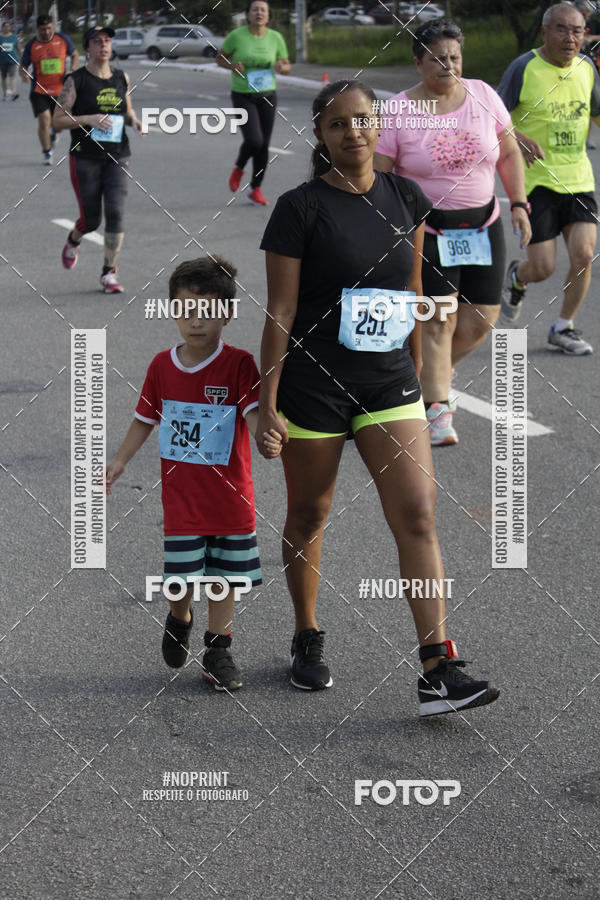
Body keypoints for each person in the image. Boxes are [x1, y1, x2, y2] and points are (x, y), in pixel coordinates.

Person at [256, 79, 499, 716]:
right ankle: (307, 635)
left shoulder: (405, 196)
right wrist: (267, 402)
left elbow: (412, 290)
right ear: (322, 135)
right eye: (338, 124)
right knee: (310, 515)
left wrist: (419, 379)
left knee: (418, 514)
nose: (354, 133)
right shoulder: (299, 207)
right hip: (314, 386)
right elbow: (280, 310)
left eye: (363, 120)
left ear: (377, 126)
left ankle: (436, 666)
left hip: (390, 382)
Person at [105, 256, 282, 689]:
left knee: (224, 579)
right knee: (179, 579)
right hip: (182, 500)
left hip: (231, 498)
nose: (195, 322)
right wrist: (120, 459)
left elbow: (256, 414)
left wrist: (267, 437)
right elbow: (145, 418)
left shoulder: (239, 365)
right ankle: (179, 617)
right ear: (173, 312)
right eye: (186, 310)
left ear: (225, 314)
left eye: (207, 312)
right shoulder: (161, 367)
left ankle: (218, 650)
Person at [374, 19, 531, 446]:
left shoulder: (482, 94)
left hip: (484, 223)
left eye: (455, 57)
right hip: (428, 227)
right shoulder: (400, 110)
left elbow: (510, 151)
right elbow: (381, 173)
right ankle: (437, 409)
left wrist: (518, 203)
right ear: (418, 62)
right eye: (437, 59)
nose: (448, 66)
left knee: (482, 320)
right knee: (439, 319)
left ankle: (432, 374)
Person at [498, 2, 599, 355]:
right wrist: (519, 139)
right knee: (542, 267)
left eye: (577, 31)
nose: (570, 38)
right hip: (535, 182)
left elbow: (597, 112)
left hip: (578, 179)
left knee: (585, 254)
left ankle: (563, 327)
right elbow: (493, 115)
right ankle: (518, 276)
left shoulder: (587, 68)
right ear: (544, 32)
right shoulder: (524, 67)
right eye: (561, 30)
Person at [53, 25, 144, 293]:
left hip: (117, 155)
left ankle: (109, 273)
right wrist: (88, 119)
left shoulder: (121, 77)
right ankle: (74, 238)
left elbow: (126, 110)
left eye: (107, 41)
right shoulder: (76, 80)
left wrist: (136, 121)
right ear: (88, 48)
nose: (103, 46)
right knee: (91, 220)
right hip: (85, 157)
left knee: (115, 212)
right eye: (97, 41)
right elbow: (58, 120)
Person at [216, 0, 290, 206]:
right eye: (255, 9)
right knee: (254, 140)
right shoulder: (237, 36)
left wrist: (281, 67)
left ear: (268, 16)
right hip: (242, 94)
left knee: (264, 145)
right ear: (248, 14)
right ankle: (239, 167)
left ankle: (256, 189)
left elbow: (286, 66)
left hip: (267, 94)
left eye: (263, 10)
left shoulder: (276, 38)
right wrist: (232, 66)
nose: (259, 13)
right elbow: (220, 58)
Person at [19, 14, 79, 164]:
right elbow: (23, 66)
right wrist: (24, 75)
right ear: (37, 29)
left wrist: (72, 70)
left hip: (61, 90)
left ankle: (54, 134)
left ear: (53, 26)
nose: (46, 32)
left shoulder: (63, 39)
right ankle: (47, 152)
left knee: (58, 125)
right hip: (39, 90)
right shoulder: (32, 45)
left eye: (48, 28)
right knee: (44, 119)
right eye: (42, 29)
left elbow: (75, 54)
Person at [0, 20, 21, 101]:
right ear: (2, 28)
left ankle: (14, 92)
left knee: (12, 76)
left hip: (12, 60)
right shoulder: (0, 38)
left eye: (8, 26)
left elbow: (18, 48)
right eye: (5, 27)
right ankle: (5, 94)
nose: (6, 28)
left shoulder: (14, 37)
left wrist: (21, 58)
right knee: (3, 78)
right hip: (2, 61)